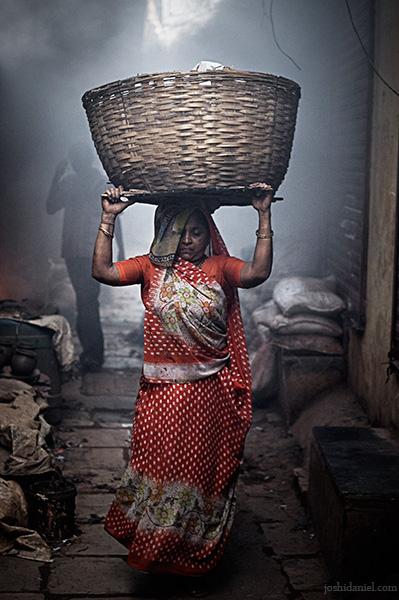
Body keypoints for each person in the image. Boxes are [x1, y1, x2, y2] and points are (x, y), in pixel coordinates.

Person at [92, 183, 273, 595]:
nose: (188, 241)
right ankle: (156, 554)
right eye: (179, 231)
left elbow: (257, 273)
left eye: (196, 231)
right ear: (163, 232)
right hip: (159, 397)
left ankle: (188, 560)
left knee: (197, 477)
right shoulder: (149, 268)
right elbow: (101, 272)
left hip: (206, 397)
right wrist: (108, 218)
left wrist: (264, 215)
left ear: (208, 232)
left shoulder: (219, 268)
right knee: (159, 474)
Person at [46, 142, 125, 372]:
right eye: (73, 157)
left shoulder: (101, 183)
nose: (75, 161)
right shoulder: (69, 182)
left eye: (77, 156)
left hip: (94, 250)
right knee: (85, 300)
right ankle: (91, 354)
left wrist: (120, 247)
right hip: (73, 250)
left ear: (87, 158)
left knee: (87, 300)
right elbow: (51, 207)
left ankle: (93, 355)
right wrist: (57, 177)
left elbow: (114, 215)